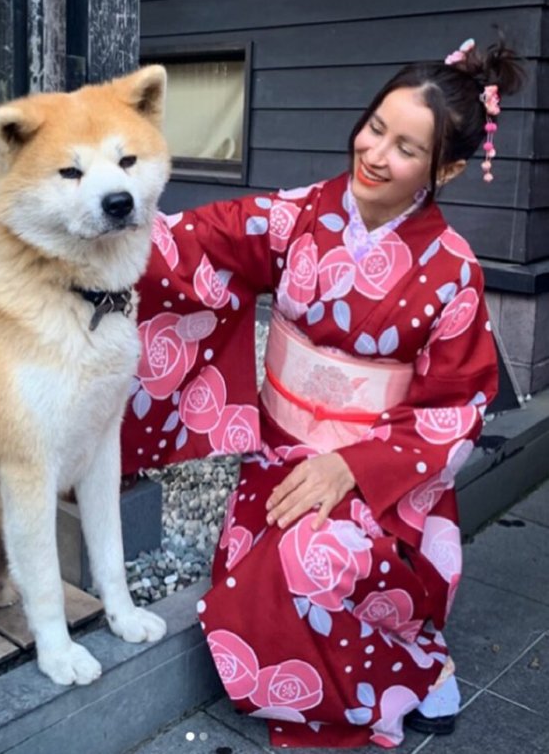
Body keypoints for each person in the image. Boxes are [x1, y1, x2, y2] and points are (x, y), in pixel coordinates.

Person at [121, 37, 524, 748]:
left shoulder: (454, 270)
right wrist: (99, 235)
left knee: (312, 565)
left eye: (406, 148)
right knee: (257, 594)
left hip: (379, 476)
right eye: (375, 127)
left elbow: (455, 409)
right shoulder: (301, 214)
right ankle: (385, 667)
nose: (375, 154)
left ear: (447, 170)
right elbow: (200, 242)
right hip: (279, 455)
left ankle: (417, 663)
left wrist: (353, 467)